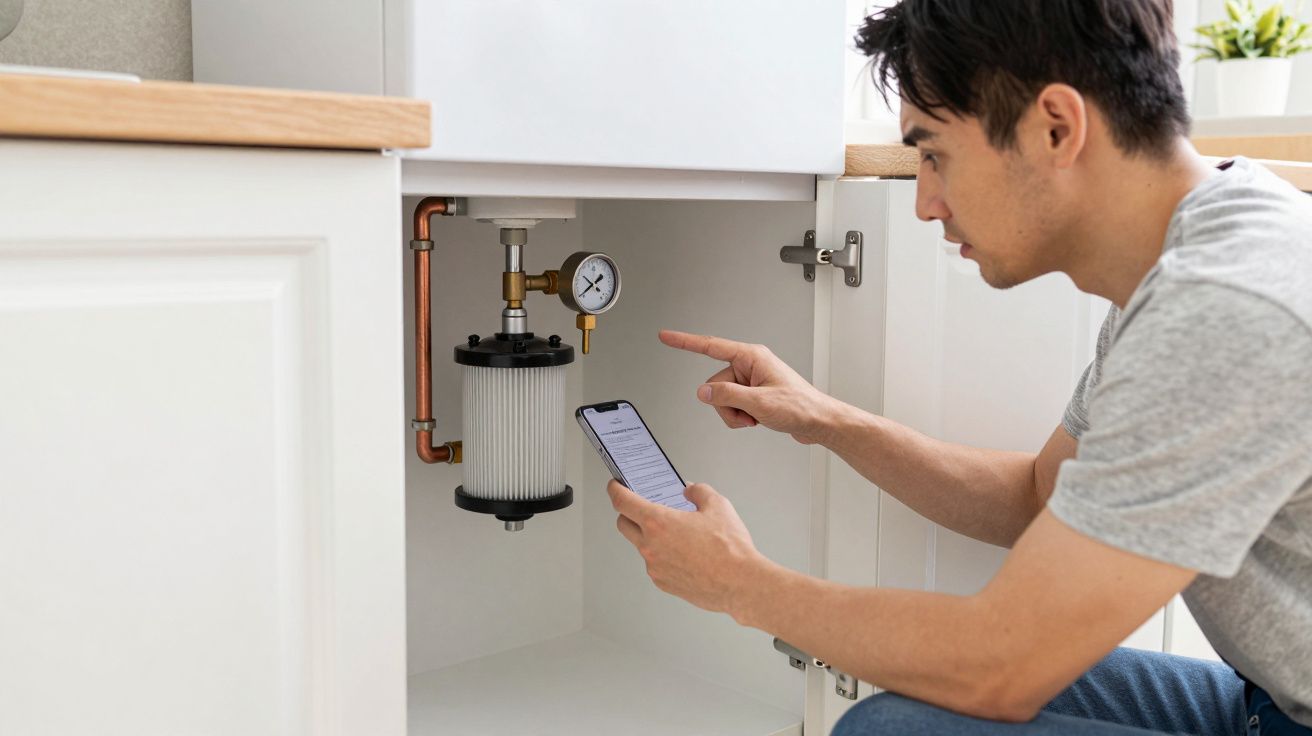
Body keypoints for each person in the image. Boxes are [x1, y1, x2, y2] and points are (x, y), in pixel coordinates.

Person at [604, 1, 1312, 734]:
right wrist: (827, 421)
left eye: (934, 154)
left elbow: (1002, 668)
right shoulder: (1196, 251)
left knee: (891, 729)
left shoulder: (1226, 303)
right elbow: (1038, 496)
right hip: (1264, 699)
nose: (924, 203)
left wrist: (739, 585)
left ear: (1056, 129)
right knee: (916, 703)